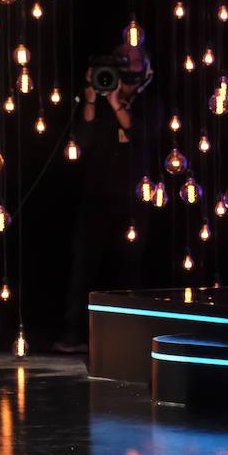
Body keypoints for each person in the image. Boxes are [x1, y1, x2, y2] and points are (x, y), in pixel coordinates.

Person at [54, 45, 162, 354]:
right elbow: (82, 141)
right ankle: (73, 334)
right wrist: (91, 96)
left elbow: (145, 134)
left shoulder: (149, 104)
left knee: (131, 269)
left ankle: (133, 336)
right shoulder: (98, 103)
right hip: (96, 196)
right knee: (82, 268)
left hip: (134, 199)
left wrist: (117, 104)